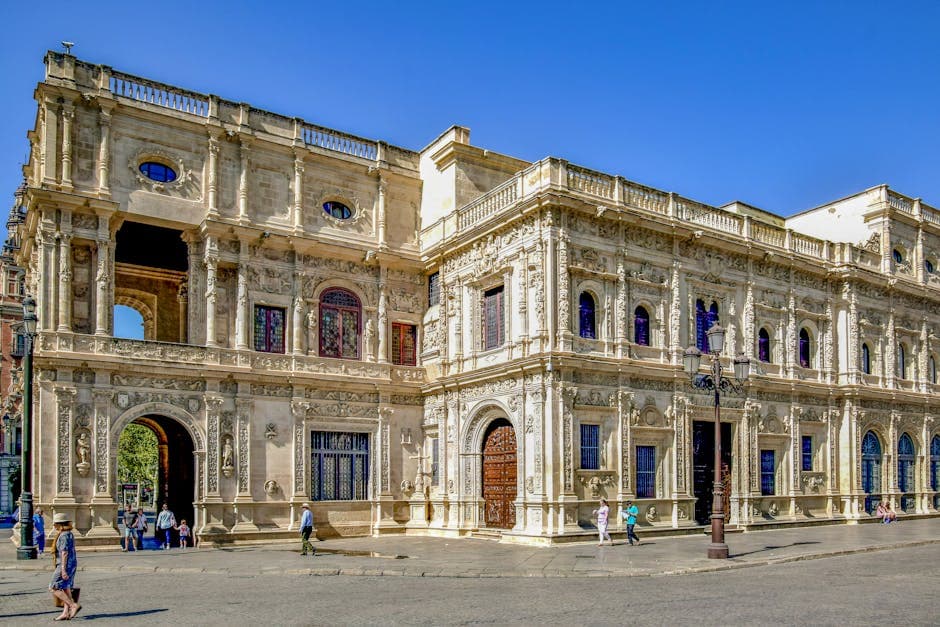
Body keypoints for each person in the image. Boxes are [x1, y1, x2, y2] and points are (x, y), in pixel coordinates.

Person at [49, 512, 81, 620]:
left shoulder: (63, 535)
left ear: (59, 524)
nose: (54, 526)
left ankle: (73, 605)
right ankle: (65, 613)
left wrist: (63, 569)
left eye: (55, 524)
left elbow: (64, 552)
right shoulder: (69, 534)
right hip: (72, 563)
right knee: (66, 587)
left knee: (53, 587)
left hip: (65, 565)